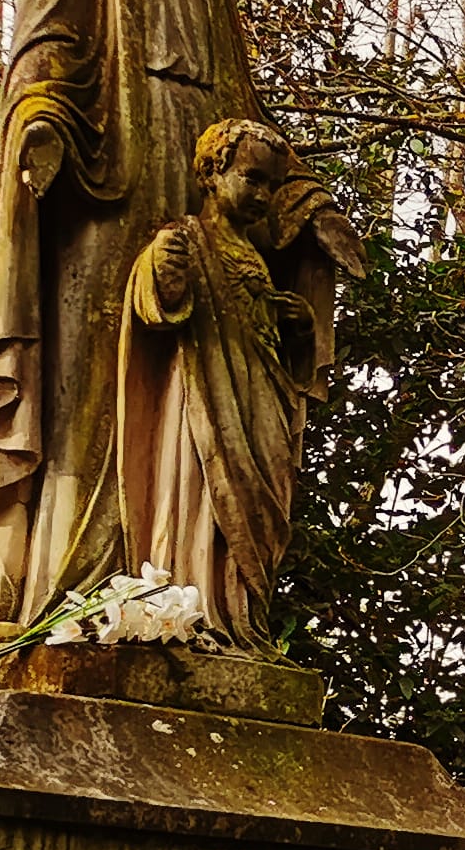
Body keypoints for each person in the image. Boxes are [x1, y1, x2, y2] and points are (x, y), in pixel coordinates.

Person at [0, 0, 351, 633]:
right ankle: (58, 597)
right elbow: (41, 55)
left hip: (203, 186)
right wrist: (40, 127)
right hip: (107, 183)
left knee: (193, 392)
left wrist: (298, 201)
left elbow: (242, 103)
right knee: (91, 381)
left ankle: (174, 592)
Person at [121, 120, 323, 641]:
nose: (264, 196)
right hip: (207, 401)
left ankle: (244, 623)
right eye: (252, 178)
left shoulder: (256, 255)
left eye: (273, 186)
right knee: (204, 501)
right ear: (212, 173)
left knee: (260, 512)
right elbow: (157, 308)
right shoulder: (184, 238)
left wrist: (298, 329)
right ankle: (194, 614)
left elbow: (274, 348)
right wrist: (162, 275)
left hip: (261, 404)